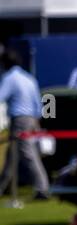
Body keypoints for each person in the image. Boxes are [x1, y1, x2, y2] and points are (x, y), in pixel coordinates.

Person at [0, 48, 50, 200]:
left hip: (19, 119)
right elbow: (38, 104)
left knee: (27, 154)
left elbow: (1, 95)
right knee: (12, 154)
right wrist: (37, 123)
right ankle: (2, 186)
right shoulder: (29, 78)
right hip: (31, 119)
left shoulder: (10, 78)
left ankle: (42, 189)